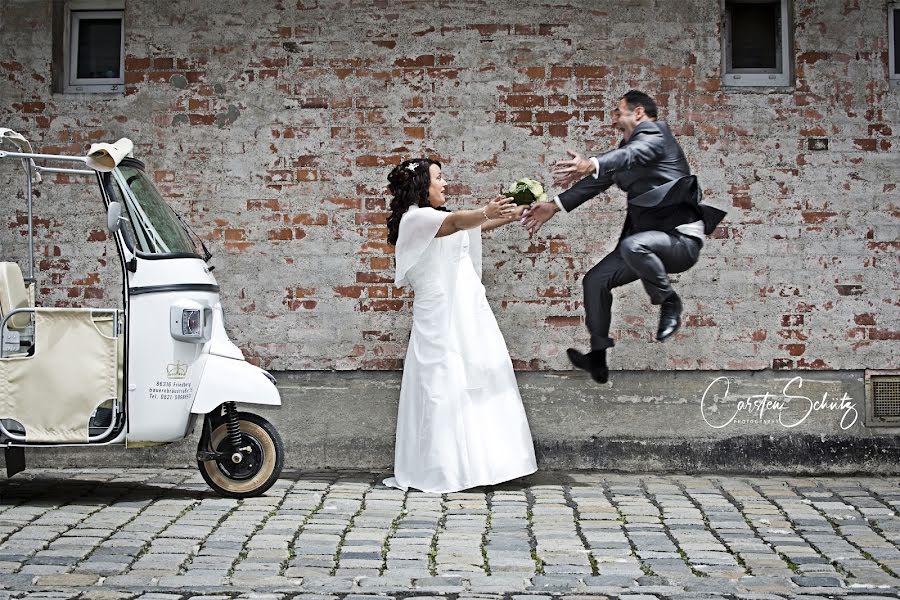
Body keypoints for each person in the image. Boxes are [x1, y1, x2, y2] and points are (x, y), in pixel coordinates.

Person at [522, 90, 725, 384]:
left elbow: (632, 154)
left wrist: (592, 162)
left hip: (679, 240)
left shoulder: (657, 135)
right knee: (595, 280)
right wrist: (552, 206)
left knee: (633, 245)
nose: (614, 119)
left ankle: (669, 301)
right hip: (643, 245)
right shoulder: (624, 149)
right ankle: (598, 357)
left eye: (618, 113)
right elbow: (597, 183)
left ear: (638, 113)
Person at [383, 158, 538, 493]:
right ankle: (443, 468)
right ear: (421, 184)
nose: (444, 184)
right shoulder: (416, 218)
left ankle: (481, 466)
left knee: (473, 375)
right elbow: (456, 223)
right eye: (438, 178)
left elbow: (468, 228)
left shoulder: (432, 219)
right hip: (439, 313)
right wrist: (485, 210)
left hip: (463, 308)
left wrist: (505, 215)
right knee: (441, 380)